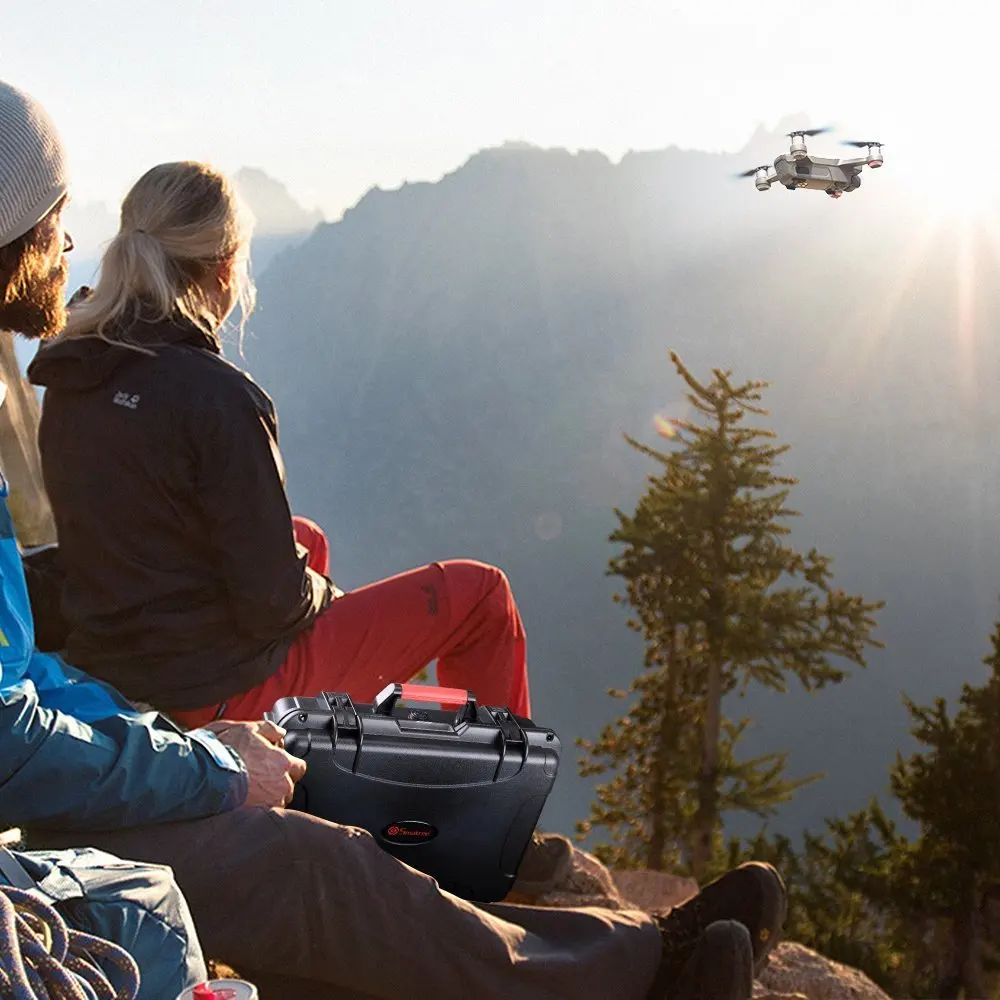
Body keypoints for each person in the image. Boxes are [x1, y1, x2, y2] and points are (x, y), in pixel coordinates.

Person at [0, 77, 786, 1000]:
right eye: (54, 217)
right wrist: (209, 759)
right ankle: (602, 933)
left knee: (314, 837)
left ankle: (624, 943)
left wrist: (161, 730)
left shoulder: (71, 378)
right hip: (153, 722)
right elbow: (20, 731)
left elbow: (29, 680)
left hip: (127, 679)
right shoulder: (216, 395)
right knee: (317, 848)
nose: (66, 241)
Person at [27, 158, 530, 729]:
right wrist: (325, 594)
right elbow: (273, 604)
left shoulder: (76, 367)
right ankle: (494, 797)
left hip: (119, 660)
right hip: (211, 689)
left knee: (305, 538)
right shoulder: (216, 396)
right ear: (225, 267)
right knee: (482, 594)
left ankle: (311, 759)